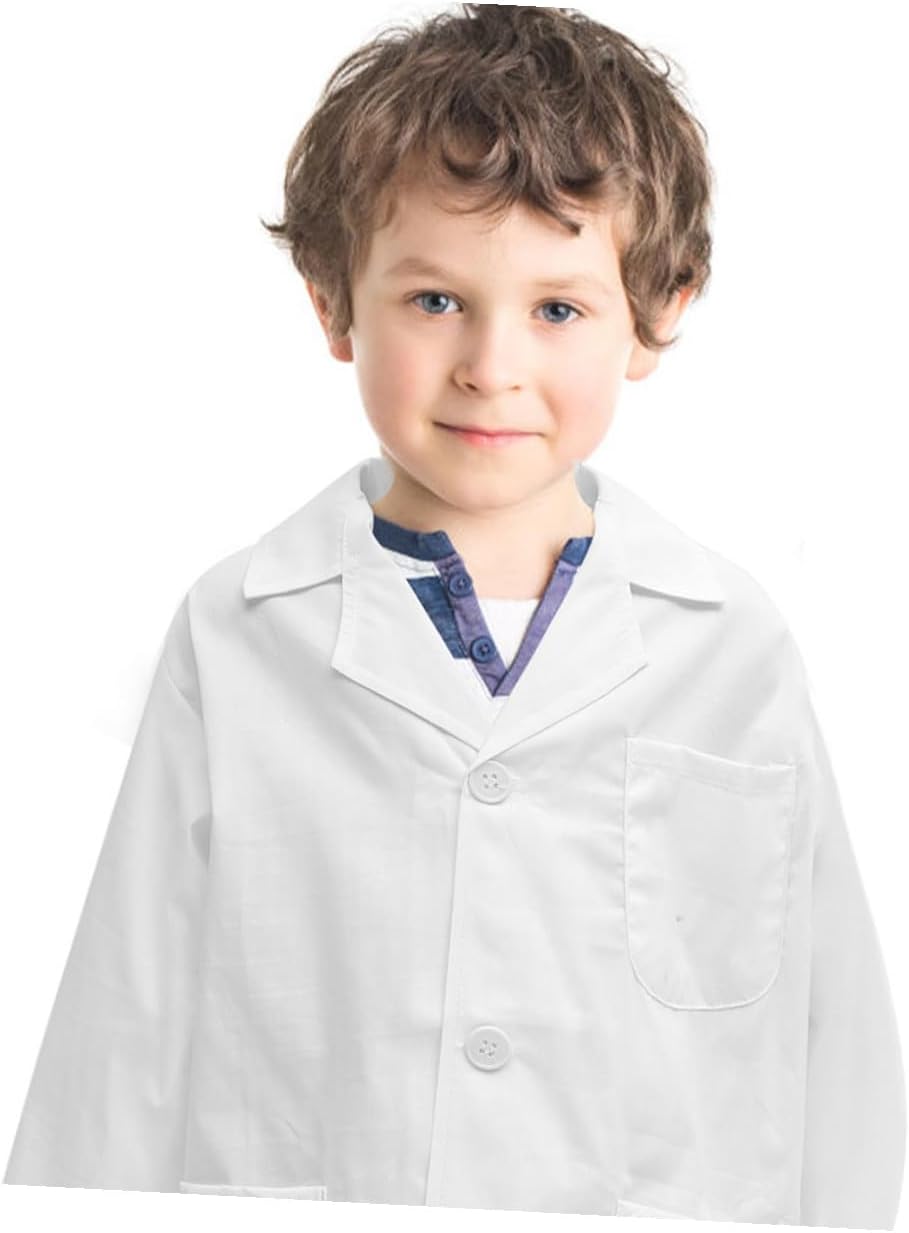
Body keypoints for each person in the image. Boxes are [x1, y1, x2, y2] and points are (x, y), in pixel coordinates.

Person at [4, 4, 905, 1224]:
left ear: (658, 312)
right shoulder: (237, 633)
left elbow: (834, 1043)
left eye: (558, 310)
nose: (491, 365)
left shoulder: (732, 645)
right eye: (434, 301)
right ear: (334, 302)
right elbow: (126, 1025)